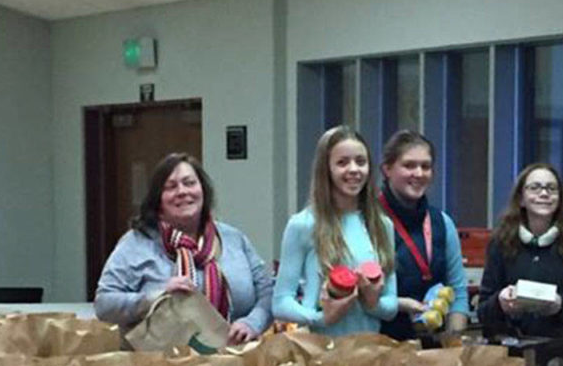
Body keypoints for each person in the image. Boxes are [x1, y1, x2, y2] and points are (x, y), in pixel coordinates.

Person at [94, 152, 272, 343]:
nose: (182, 191)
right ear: (158, 199)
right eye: (170, 187)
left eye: (189, 183)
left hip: (236, 360)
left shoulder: (233, 238)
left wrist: (253, 322)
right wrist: (156, 297)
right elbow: (104, 304)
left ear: (203, 190)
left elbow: (268, 292)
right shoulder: (136, 243)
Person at [272, 124, 396, 335]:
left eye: (361, 162)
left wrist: (372, 303)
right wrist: (321, 318)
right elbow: (281, 302)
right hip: (321, 355)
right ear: (326, 169)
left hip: (369, 352)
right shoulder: (303, 224)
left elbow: (391, 305)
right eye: (342, 162)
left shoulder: (382, 225)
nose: (354, 170)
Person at [477, 162, 563, 338]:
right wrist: (500, 302)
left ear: (559, 199)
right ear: (521, 198)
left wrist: (560, 305)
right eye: (535, 188)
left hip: (562, 352)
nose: (544, 193)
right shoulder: (501, 242)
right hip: (511, 354)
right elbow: (482, 313)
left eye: (551, 188)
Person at [377, 130, 469, 342]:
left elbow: (458, 292)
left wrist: (453, 343)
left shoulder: (443, 223)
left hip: (431, 353)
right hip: (378, 348)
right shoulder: (366, 221)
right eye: (409, 165)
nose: (418, 173)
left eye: (425, 166)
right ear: (387, 169)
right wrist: (399, 304)